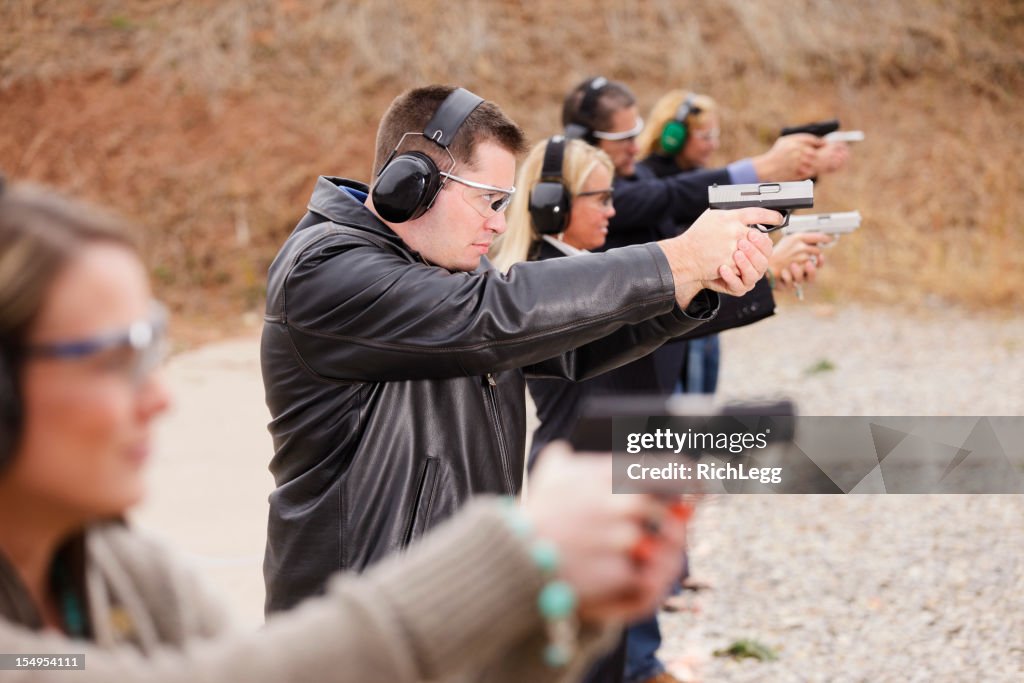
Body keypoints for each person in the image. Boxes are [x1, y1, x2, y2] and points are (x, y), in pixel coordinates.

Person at [0, 179, 697, 682]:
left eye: (153, 349)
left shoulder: (125, 578)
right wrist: (519, 555)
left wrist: (563, 607)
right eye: (110, 359)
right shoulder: (328, 270)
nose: (158, 397)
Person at [260, 85, 779, 614]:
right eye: (489, 200)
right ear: (412, 183)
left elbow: (568, 344)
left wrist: (693, 284)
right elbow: (493, 315)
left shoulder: (445, 269)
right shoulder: (325, 271)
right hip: (356, 628)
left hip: (449, 604)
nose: (500, 223)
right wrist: (676, 260)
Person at [636, 89, 847, 394]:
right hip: (666, 325)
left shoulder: (696, 180)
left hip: (705, 315)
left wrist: (807, 173)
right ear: (673, 135)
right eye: (706, 136)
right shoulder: (647, 186)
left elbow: (757, 217)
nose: (714, 144)